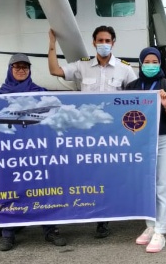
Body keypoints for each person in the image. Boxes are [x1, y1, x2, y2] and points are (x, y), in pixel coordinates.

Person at [48, 26, 137, 238]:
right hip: (87, 134)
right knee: (88, 175)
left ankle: (103, 220)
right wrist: (51, 45)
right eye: (100, 40)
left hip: (113, 134)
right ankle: (88, 211)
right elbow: (55, 71)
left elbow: (137, 98)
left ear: (113, 43)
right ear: (93, 42)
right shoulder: (83, 66)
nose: (104, 43)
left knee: (108, 177)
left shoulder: (125, 69)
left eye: (107, 40)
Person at [0, 53, 66, 251]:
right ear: (10, 69)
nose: (21, 70)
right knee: (8, 192)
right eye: (16, 66)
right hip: (11, 153)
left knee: (43, 190)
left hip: (37, 151)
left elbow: (54, 115)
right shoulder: (0, 95)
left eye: (25, 67)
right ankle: (8, 234)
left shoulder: (40, 92)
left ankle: (51, 230)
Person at [124, 47, 166, 253]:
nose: (151, 65)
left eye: (154, 61)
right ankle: (150, 226)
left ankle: (161, 231)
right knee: (145, 185)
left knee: (163, 185)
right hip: (140, 141)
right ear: (140, 63)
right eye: (147, 61)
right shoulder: (132, 87)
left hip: (164, 139)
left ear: (160, 63)